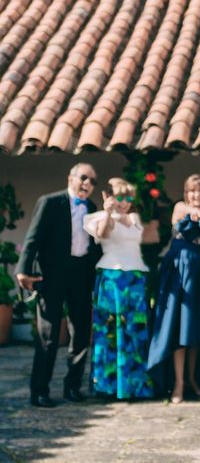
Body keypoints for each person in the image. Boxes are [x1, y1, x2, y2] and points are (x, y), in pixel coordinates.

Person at [16, 163, 101, 407]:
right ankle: (40, 390)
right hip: (51, 276)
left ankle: (72, 387)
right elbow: (32, 238)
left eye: (92, 181)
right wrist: (23, 270)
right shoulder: (50, 202)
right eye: (84, 178)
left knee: (82, 333)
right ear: (71, 178)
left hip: (81, 276)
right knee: (49, 336)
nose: (87, 184)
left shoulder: (92, 208)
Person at [83, 178, 153, 400]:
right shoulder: (97, 218)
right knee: (110, 330)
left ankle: (134, 385)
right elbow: (102, 234)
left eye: (128, 197)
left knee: (135, 329)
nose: (124, 202)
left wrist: (119, 213)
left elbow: (134, 230)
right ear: (111, 196)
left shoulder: (133, 217)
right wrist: (107, 212)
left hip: (135, 277)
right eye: (120, 197)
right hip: (112, 276)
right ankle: (108, 385)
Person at [147, 175, 200, 403]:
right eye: (192, 191)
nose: (196, 195)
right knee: (178, 327)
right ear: (187, 194)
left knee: (193, 329)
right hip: (178, 271)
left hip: (199, 273)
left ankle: (193, 379)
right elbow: (180, 228)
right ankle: (178, 383)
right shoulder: (180, 208)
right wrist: (192, 217)